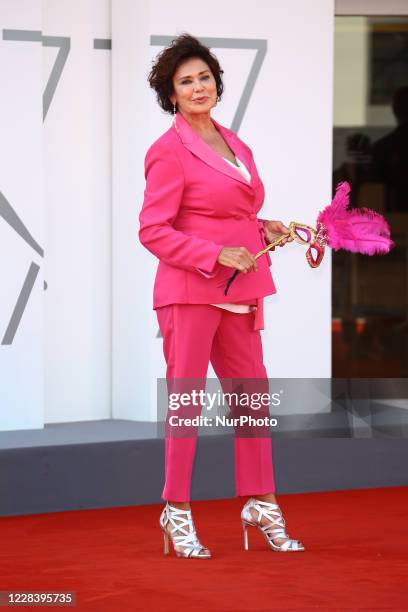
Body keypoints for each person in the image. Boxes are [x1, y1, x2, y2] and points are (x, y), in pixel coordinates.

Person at [139, 33, 304, 558]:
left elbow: (235, 212)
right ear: (171, 94)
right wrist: (213, 255)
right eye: (185, 81)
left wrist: (263, 226)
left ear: (216, 82)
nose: (197, 87)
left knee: (251, 404)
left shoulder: (236, 143)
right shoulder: (167, 151)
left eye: (204, 76)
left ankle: (261, 502)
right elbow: (152, 229)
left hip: (242, 289)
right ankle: (177, 510)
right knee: (186, 408)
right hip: (189, 291)